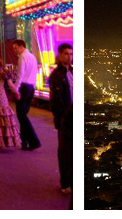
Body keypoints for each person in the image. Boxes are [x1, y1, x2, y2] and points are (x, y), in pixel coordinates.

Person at [49, 43, 74, 193]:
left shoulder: (73, 72)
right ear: (59, 55)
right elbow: (56, 100)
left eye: (71, 54)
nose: (69, 57)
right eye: (66, 54)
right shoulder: (56, 76)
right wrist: (63, 117)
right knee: (65, 152)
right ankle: (65, 183)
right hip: (65, 119)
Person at [11, 39, 41, 151]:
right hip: (31, 88)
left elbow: (20, 75)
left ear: (21, 46)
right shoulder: (32, 57)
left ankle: (34, 141)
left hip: (23, 88)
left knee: (21, 116)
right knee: (23, 114)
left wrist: (15, 89)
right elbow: (35, 74)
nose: (14, 50)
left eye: (15, 48)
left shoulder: (22, 57)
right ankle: (24, 141)